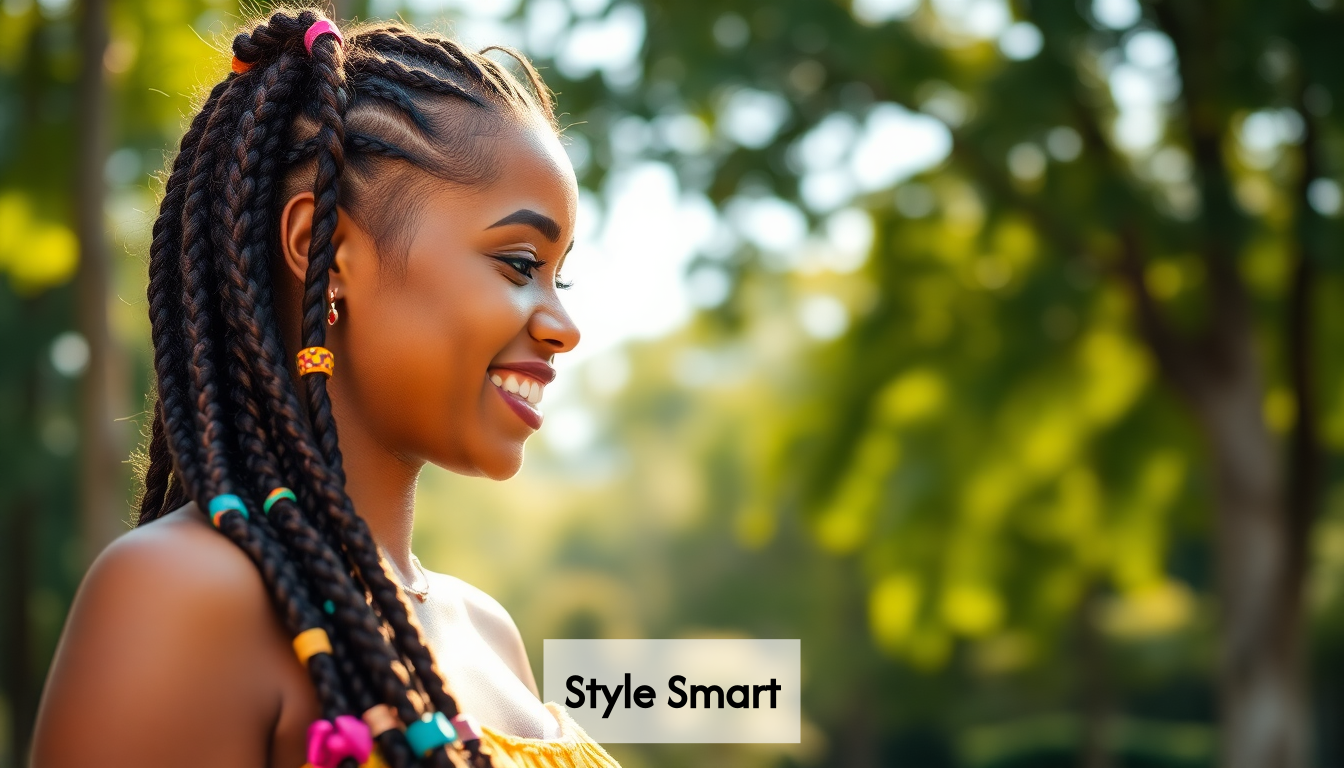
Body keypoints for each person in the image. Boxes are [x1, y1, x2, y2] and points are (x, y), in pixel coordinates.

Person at [31, 9, 618, 768]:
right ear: (322, 251)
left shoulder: (489, 631)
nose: (564, 325)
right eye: (517, 262)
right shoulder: (183, 596)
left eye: (558, 274)